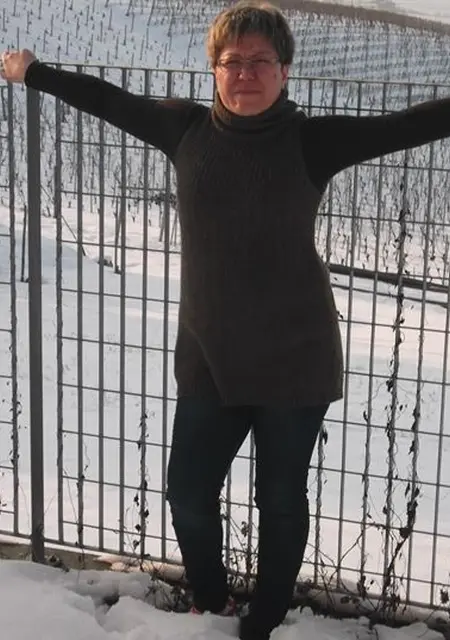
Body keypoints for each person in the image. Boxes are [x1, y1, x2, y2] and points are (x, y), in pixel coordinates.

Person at [2, 1, 450, 637]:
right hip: (208, 355)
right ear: (214, 68)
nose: (245, 73)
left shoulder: (311, 141)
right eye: (232, 61)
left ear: (285, 70)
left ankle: (264, 622)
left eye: (261, 61)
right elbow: (109, 100)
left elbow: (407, 125)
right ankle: (211, 607)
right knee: (187, 493)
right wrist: (34, 72)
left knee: (280, 502)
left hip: (295, 358)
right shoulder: (185, 129)